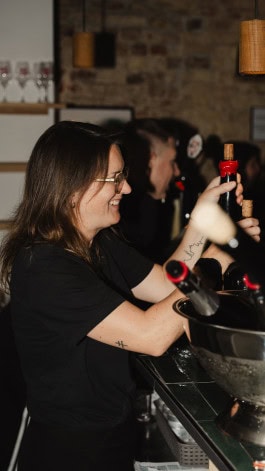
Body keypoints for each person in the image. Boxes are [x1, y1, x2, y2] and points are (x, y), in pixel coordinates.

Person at [0, 121, 259, 471]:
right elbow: (151, 336)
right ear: (73, 188)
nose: (128, 187)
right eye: (115, 178)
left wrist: (210, 228)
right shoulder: (44, 266)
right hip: (70, 453)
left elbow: (166, 285)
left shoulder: (97, 242)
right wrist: (211, 264)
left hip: (110, 435)